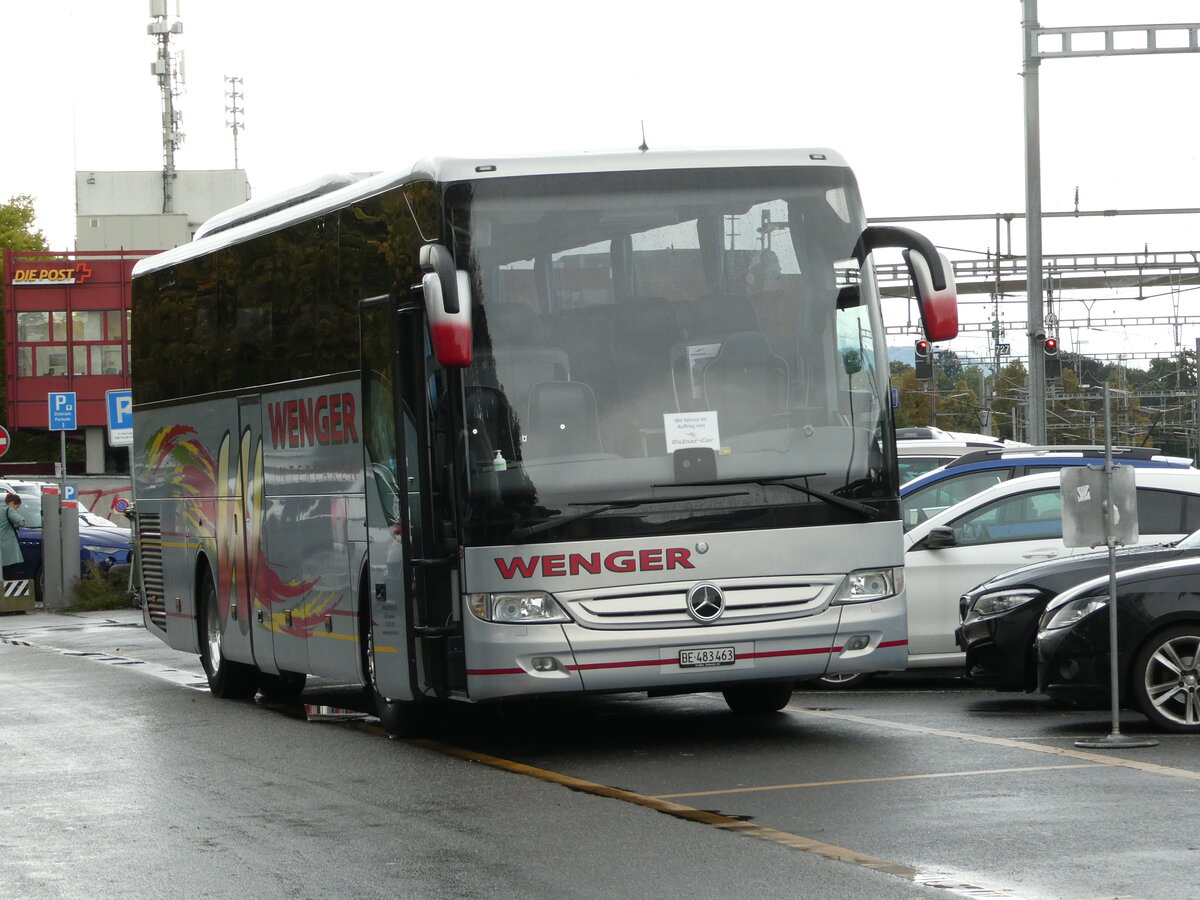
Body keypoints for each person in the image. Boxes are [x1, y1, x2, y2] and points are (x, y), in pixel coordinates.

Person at [1, 492, 25, 580]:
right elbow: (21, 521)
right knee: (10, 575)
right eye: (17, 507)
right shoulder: (9, 510)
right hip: (9, 548)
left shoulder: (1, 508)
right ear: (11, 503)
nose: (16, 510)